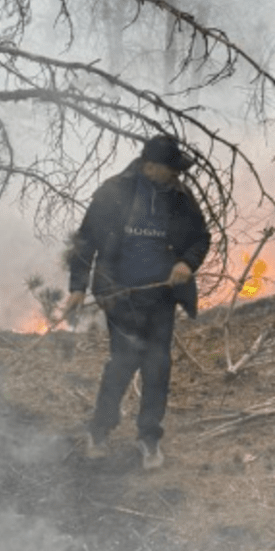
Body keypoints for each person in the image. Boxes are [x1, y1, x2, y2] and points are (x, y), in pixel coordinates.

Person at [63, 134, 210, 469]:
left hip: (161, 297)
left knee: (157, 365)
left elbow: (200, 237)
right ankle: (100, 430)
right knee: (124, 361)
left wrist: (186, 263)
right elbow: (85, 241)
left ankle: (149, 439)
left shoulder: (179, 197)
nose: (177, 176)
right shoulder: (115, 193)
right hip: (120, 295)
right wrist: (77, 286)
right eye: (170, 170)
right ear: (150, 166)